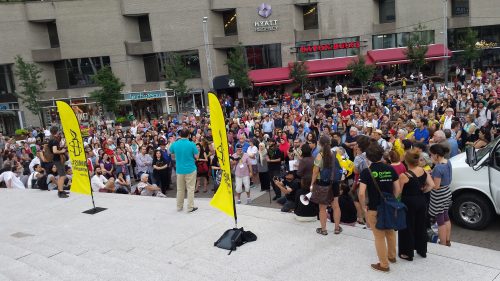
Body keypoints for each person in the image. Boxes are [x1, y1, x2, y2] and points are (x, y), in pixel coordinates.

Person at [358, 140, 400, 272]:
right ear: (381, 155)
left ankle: (383, 264)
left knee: (379, 236)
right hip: (389, 205)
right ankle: (392, 257)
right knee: (391, 232)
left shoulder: (366, 172)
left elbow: (361, 193)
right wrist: (392, 199)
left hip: (374, 207)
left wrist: (364, 206)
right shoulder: (390, 168)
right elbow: (398, 189)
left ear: (368, 157)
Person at [398, 149, 435, 261]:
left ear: (406, 162)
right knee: (421, 225)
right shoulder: (424, 171)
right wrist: (422, 191)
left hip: (408, 202)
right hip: (421, 200)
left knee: (407, 227)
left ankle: (407, 253)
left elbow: (399, 192)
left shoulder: (404, 175)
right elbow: (432, 185)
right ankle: (421, 250)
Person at [309, 135, 342, 235]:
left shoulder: (320, 155)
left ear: (320, 144)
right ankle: (336, 228)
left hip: (322, 183)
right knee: (336, 206)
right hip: (335, 182)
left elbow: (315, 171)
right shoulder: (336, 153)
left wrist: (311, 184)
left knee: (322, 208)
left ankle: (323, 230)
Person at [169, 128, 199, 213]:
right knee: (190, 189)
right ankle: (190, 207)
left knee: (180, 189)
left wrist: (172, 142)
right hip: (190, 169)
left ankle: (179, 206)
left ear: (180, 135)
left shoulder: (175, 144)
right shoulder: (192, 144)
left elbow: (170, 151)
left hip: (179, 169)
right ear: (189, 135)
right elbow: (196, 156)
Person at [429, 144, 453, 246]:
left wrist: (428, 179)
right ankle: (447, 240)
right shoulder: (448, 161)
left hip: (439, 195)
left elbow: (436, 186)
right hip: (447, 191)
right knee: (446, 216)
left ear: (436, 155)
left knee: (440, 220)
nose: (430, 157)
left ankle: (442, 243)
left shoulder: (438, 168)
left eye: (431, 155)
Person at [48, 127, 69, 198]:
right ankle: (60, 191)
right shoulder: (55, 140)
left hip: (56, 159)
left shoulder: (51, 139)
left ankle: (61, 190)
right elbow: (54, 151)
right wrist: (62, 151)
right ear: (57, 132)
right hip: (57, 159)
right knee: (62, 176)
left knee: (61, 175)